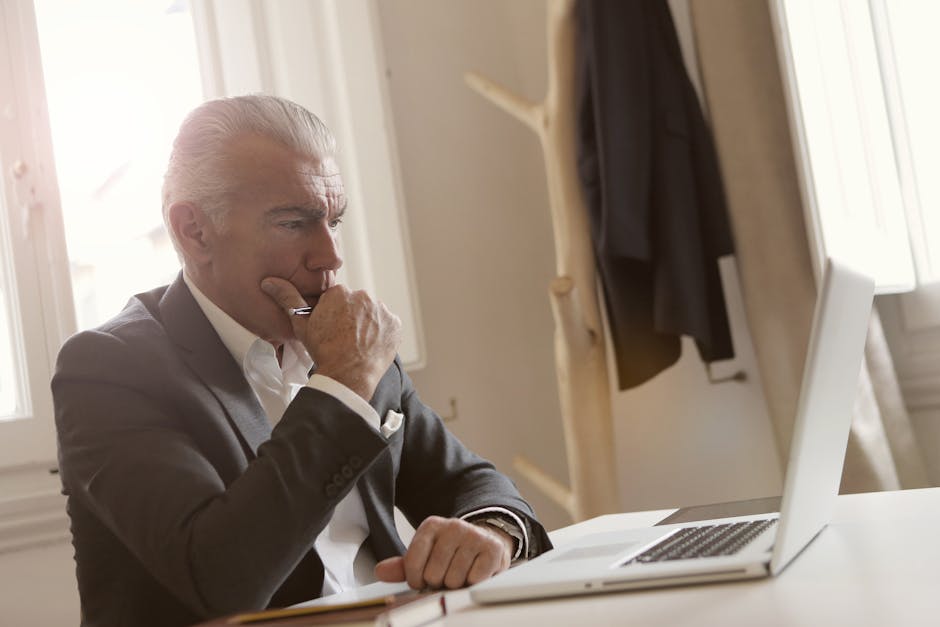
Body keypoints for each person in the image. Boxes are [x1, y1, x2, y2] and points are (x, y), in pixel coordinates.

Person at [52, 94, 550, 627]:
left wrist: (492, 533)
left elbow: (473, 483)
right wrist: (342, 384)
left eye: (334, 220)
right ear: (194, 231)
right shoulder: (107, 370)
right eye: (294, 223)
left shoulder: (349, 344)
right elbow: (220, 578)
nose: (330, 256)